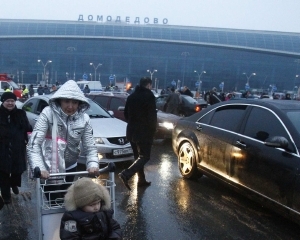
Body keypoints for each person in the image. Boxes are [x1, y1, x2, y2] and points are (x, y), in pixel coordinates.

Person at [27, 80, 99, 193]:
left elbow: (90, 146)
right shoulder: (48, 114)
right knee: (53, 201)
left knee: (67, 198)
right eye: (66, 101)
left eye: (75, 102)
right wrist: (39, 167)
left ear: (80, 103)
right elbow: (33, 144)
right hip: (49, 166)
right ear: (60, 100)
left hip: (71, 167)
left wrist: (92, 164)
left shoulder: (84, 119)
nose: (70, 106)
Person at [118, 77, 157, 191]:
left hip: (131, 131)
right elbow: (151, 116)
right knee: (145, 156)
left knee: (137, 157)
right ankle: (126, 174)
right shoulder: (149, 96)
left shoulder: (131, 96)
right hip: (144, 132)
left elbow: (126, 113)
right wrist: (153, 130)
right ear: (149, 85)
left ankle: (141, 180)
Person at [0, 92, 32, 206]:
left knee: (17, 170)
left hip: (17, 147)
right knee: (3, 173)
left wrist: (29, 139)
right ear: (3, 102)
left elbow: (27, 128)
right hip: (2, 148)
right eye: (7, 101)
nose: (10, 103)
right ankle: (6, 195)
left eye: (12, 101)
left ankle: (13, 184)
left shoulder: (20, 113)